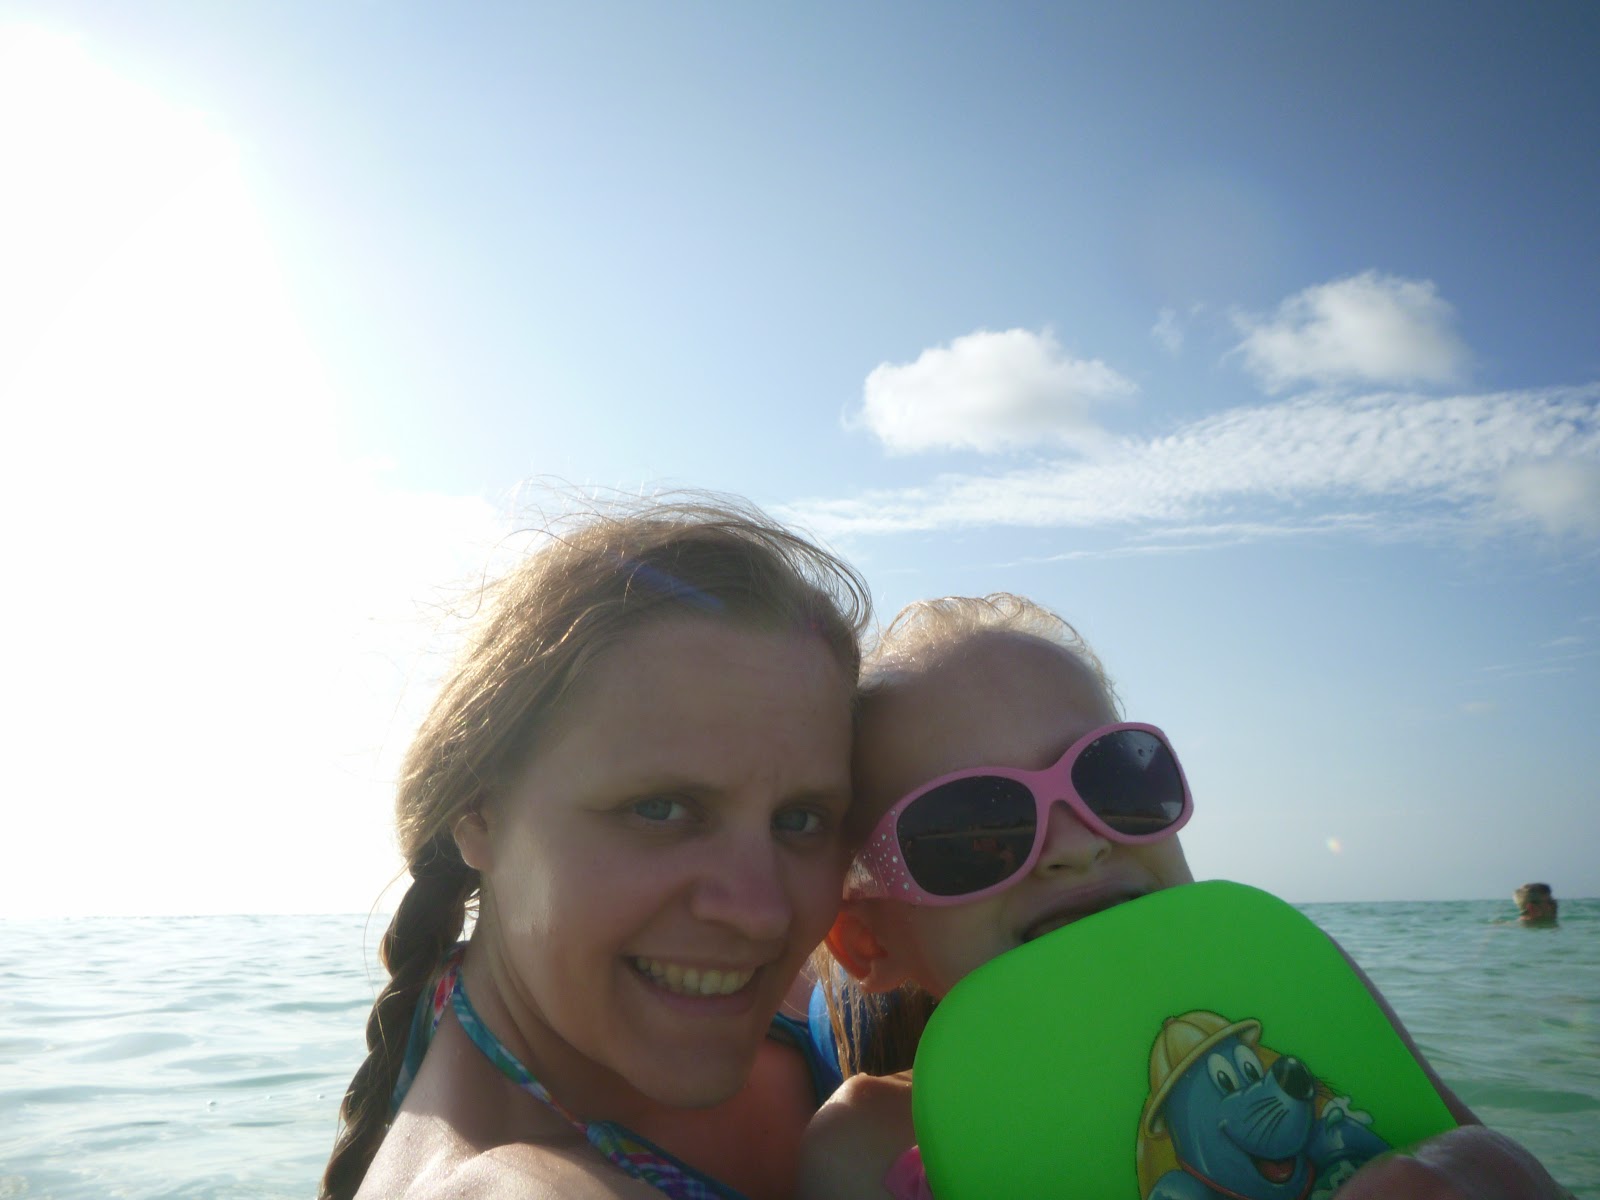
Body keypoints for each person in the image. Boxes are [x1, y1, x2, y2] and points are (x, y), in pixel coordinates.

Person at [798, 593, 1570, 1200]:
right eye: (976, 827)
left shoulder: (1297, 988)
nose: (1077, 844)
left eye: (1116, 780)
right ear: (870, 940)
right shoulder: (863, 1147)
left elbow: (1462, 1142)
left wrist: (1482, 1169)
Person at [321, 495, 871, 1200]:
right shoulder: (507, 1187)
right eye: (660, 809)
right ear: (477, 812)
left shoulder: (762, 1006)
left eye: (800, 819)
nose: (761, 913)